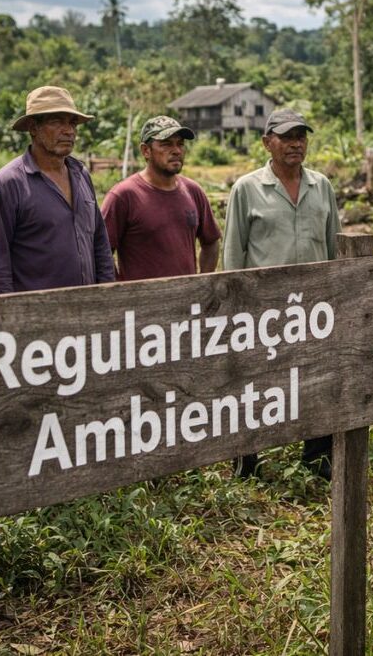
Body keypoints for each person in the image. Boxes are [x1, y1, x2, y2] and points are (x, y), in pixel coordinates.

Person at [223, 108, 341, 480]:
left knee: (315, 378)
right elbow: (233, 253)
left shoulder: (321, 186)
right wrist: (234, 307)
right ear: (267, 142)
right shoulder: (247, 188)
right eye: (287, 136)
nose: (296, 144)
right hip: (263, 309)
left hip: (314, 307)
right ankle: (247, 461)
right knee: (256, 381)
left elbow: (333, 245)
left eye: (301, 136)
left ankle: (317, 458)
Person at [0, 85, 114, 294]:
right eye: (56, 122)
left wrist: (107, 296)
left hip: (89, 314)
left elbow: (100, 245)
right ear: (33, 128)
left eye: (72, 123)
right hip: (36, 317)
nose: (69, 130)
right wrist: (8, 319)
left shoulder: (81, 174)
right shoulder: (6, 185)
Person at [101, 116, 220, 281]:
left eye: (180, 144)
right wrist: (121, 293)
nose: (176, 150)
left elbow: (211, 241)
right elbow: (101, 253)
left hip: (188, 301)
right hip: (142, 303)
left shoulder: (193, 191)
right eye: (166, 144)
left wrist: (203, 282)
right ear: (146, 151)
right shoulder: (124, 195)